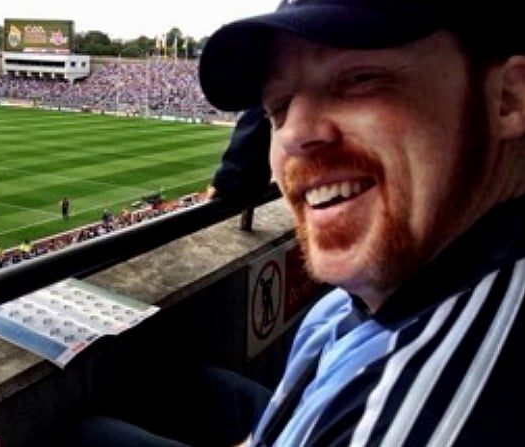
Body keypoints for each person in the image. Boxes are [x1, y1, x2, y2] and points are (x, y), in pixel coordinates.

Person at [70, 1, 525, 446]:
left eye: (360, 79)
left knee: (85, 436)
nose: (294, 134)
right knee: (184, 384)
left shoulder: (407, 416)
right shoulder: (390, 286)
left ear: (507, 98)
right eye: (279, 107)